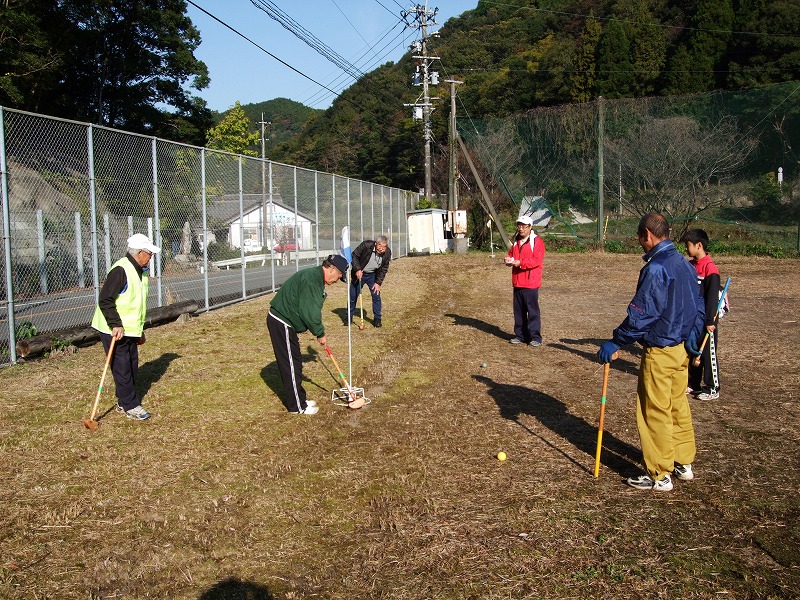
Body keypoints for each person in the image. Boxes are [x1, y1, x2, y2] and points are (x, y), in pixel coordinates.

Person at [597, 213, 705, 492]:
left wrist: (617, 341)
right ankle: (683, 462)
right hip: (680, 350)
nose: (640, 244)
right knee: (677, 404)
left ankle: (660, 474)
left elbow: (642, 313)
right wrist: (692, 338)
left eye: (640, 239)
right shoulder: (684, 263)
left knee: (654, 410)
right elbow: (697, 306)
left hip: (660, 350)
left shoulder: (656, 268)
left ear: (648, 234)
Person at [91, 233, 161, 421]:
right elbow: (105, 299)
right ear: (139, 253)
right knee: (122, 368)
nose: (151, 256)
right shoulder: (121, 270)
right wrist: (115, 324)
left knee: (131, 365)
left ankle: (123, 400)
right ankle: (130, 405)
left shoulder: (140, 271)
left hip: (130, 329)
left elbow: (135, 305)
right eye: (149, 253)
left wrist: (140, 331)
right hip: (113, 329)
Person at [267, 255, 349, 414]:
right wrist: (320, 333)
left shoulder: (316, 278)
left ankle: (300, 400)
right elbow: (310, 312)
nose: (337, 280)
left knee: (295, 362)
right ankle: (297, 407)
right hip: (281, 321)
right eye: (338, 276)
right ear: (331, 268)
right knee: (290, 365)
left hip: (285, 321)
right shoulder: (313, 281)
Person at [681, 229, 722, 401]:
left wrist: (709, 320)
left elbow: (712, 297)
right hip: (693, 318)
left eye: (688, 245)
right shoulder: (691, 266)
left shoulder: (710, 268)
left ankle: (713, 388)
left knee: (707, 353)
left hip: (707, 320)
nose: (685, 249)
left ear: (699, 245)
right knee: (693, 351)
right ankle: (694, 384)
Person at [504, 215, 545, 346]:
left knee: (532, 311)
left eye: (523, 226)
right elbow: (511, 254)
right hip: (517, 282)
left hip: (530, 283)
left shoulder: (537, 242)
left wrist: (520, 263)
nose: (520, 228)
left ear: (530, 227)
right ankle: (520, 335)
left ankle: (535, 337)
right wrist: (509, 260)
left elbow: (537, 260)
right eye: (519, 225)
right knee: (519, 311)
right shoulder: (517, 242)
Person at [349, 236, 391, 328]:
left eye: (384, 247)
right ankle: (349, 317)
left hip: (373, 275)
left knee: (376, 295)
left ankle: (377, 319)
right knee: (353, 295)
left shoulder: (387, 252)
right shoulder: (366, 245)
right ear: (376, 243)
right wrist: (358, 269)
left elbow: (384, 268)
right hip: (360, 273)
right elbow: (354, 255)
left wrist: (378, 283)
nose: (382, 249)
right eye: (380, 246)